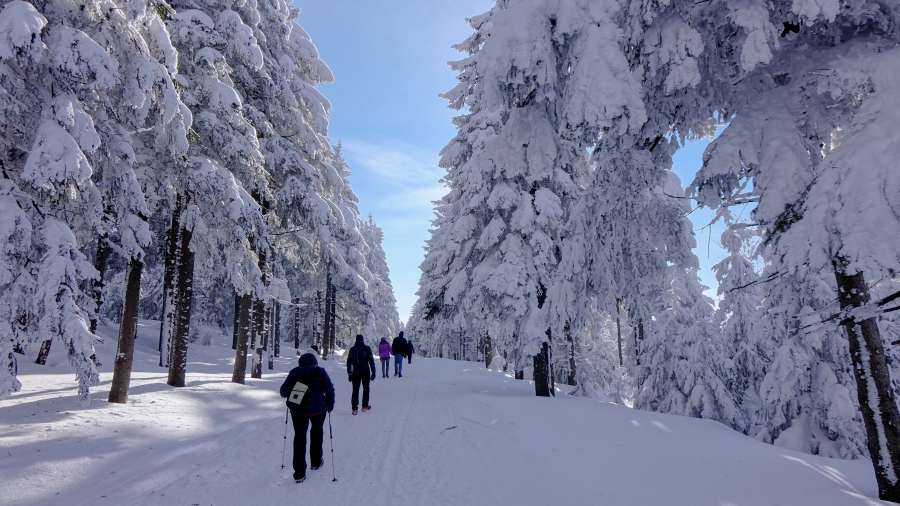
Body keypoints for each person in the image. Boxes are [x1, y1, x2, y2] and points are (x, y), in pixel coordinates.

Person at [279, 353, 335, 484]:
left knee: (299, 437)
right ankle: (316, 462)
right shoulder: (320, 371)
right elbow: (330, 389)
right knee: (317, 432)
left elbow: (283, 392)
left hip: (298, 411)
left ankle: (299, 473)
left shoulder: (294, 372)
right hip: (319, 410)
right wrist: (330, 405)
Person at [346, 334, 376, 415]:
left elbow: (349, 362)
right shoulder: (367, 348)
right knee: (366, 388)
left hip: (355, 372)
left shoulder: (352, 349)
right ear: (362, 340)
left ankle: (355, 409)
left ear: (356, 340)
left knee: (355, 390)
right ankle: (364, 406)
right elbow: (371, 361)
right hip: (365, 372)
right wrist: (373, 372)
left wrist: (349, 373)